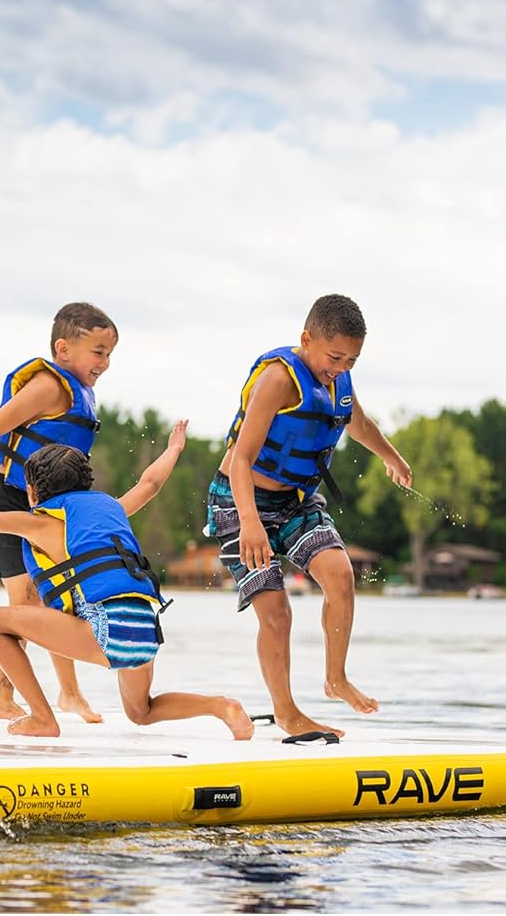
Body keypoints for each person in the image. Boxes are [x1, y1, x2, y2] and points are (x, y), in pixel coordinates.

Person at [0, 429, 254, 740]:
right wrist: (174, 448)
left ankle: (42, 717)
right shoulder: (113, 508)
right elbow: (150, 483)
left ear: (33, 492)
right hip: (145, 631)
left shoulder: (41, 522)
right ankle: (221, 706)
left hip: (106, 630)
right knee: (142, 711)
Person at [206, 294, 411, 739]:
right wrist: (251, 523)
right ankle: (287, 712)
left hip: (296, 501)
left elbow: (359, 424)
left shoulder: (338, 380)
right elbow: (241, 460)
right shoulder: (279, 379)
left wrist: (391, 456)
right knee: (277, 613)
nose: (341, 367)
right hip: (240, 501)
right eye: (335, 357)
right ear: (307, 339)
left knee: (340, 575)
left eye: (352, 360)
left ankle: (335, 679)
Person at [0, 302, 118, 724]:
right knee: (24, 600)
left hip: (44, 508)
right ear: (63, 349)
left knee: (58, 597)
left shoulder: (79, 394)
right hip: (7, 497)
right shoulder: (47, 387)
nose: (105, 363)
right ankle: (1, 697)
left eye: (110, 354)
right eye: (98, 352)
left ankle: (69, 693)